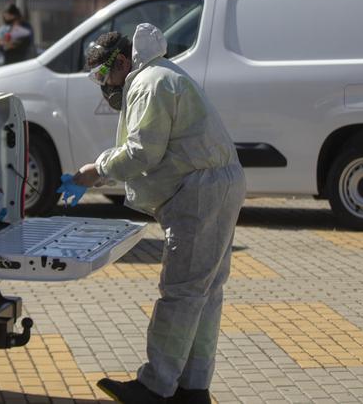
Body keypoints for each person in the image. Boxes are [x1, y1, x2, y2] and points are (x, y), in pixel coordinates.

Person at [70, 24, 245, 404]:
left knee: (181, 292)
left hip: (200, 192)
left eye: (103, 74)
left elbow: (141, 152)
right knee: (204, 292)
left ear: (120, 61)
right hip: (214, 185)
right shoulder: (161, 75)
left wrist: (95, 169)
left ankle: (155, 386)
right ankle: (193, 387)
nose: (103, 84)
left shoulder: (151, 83)